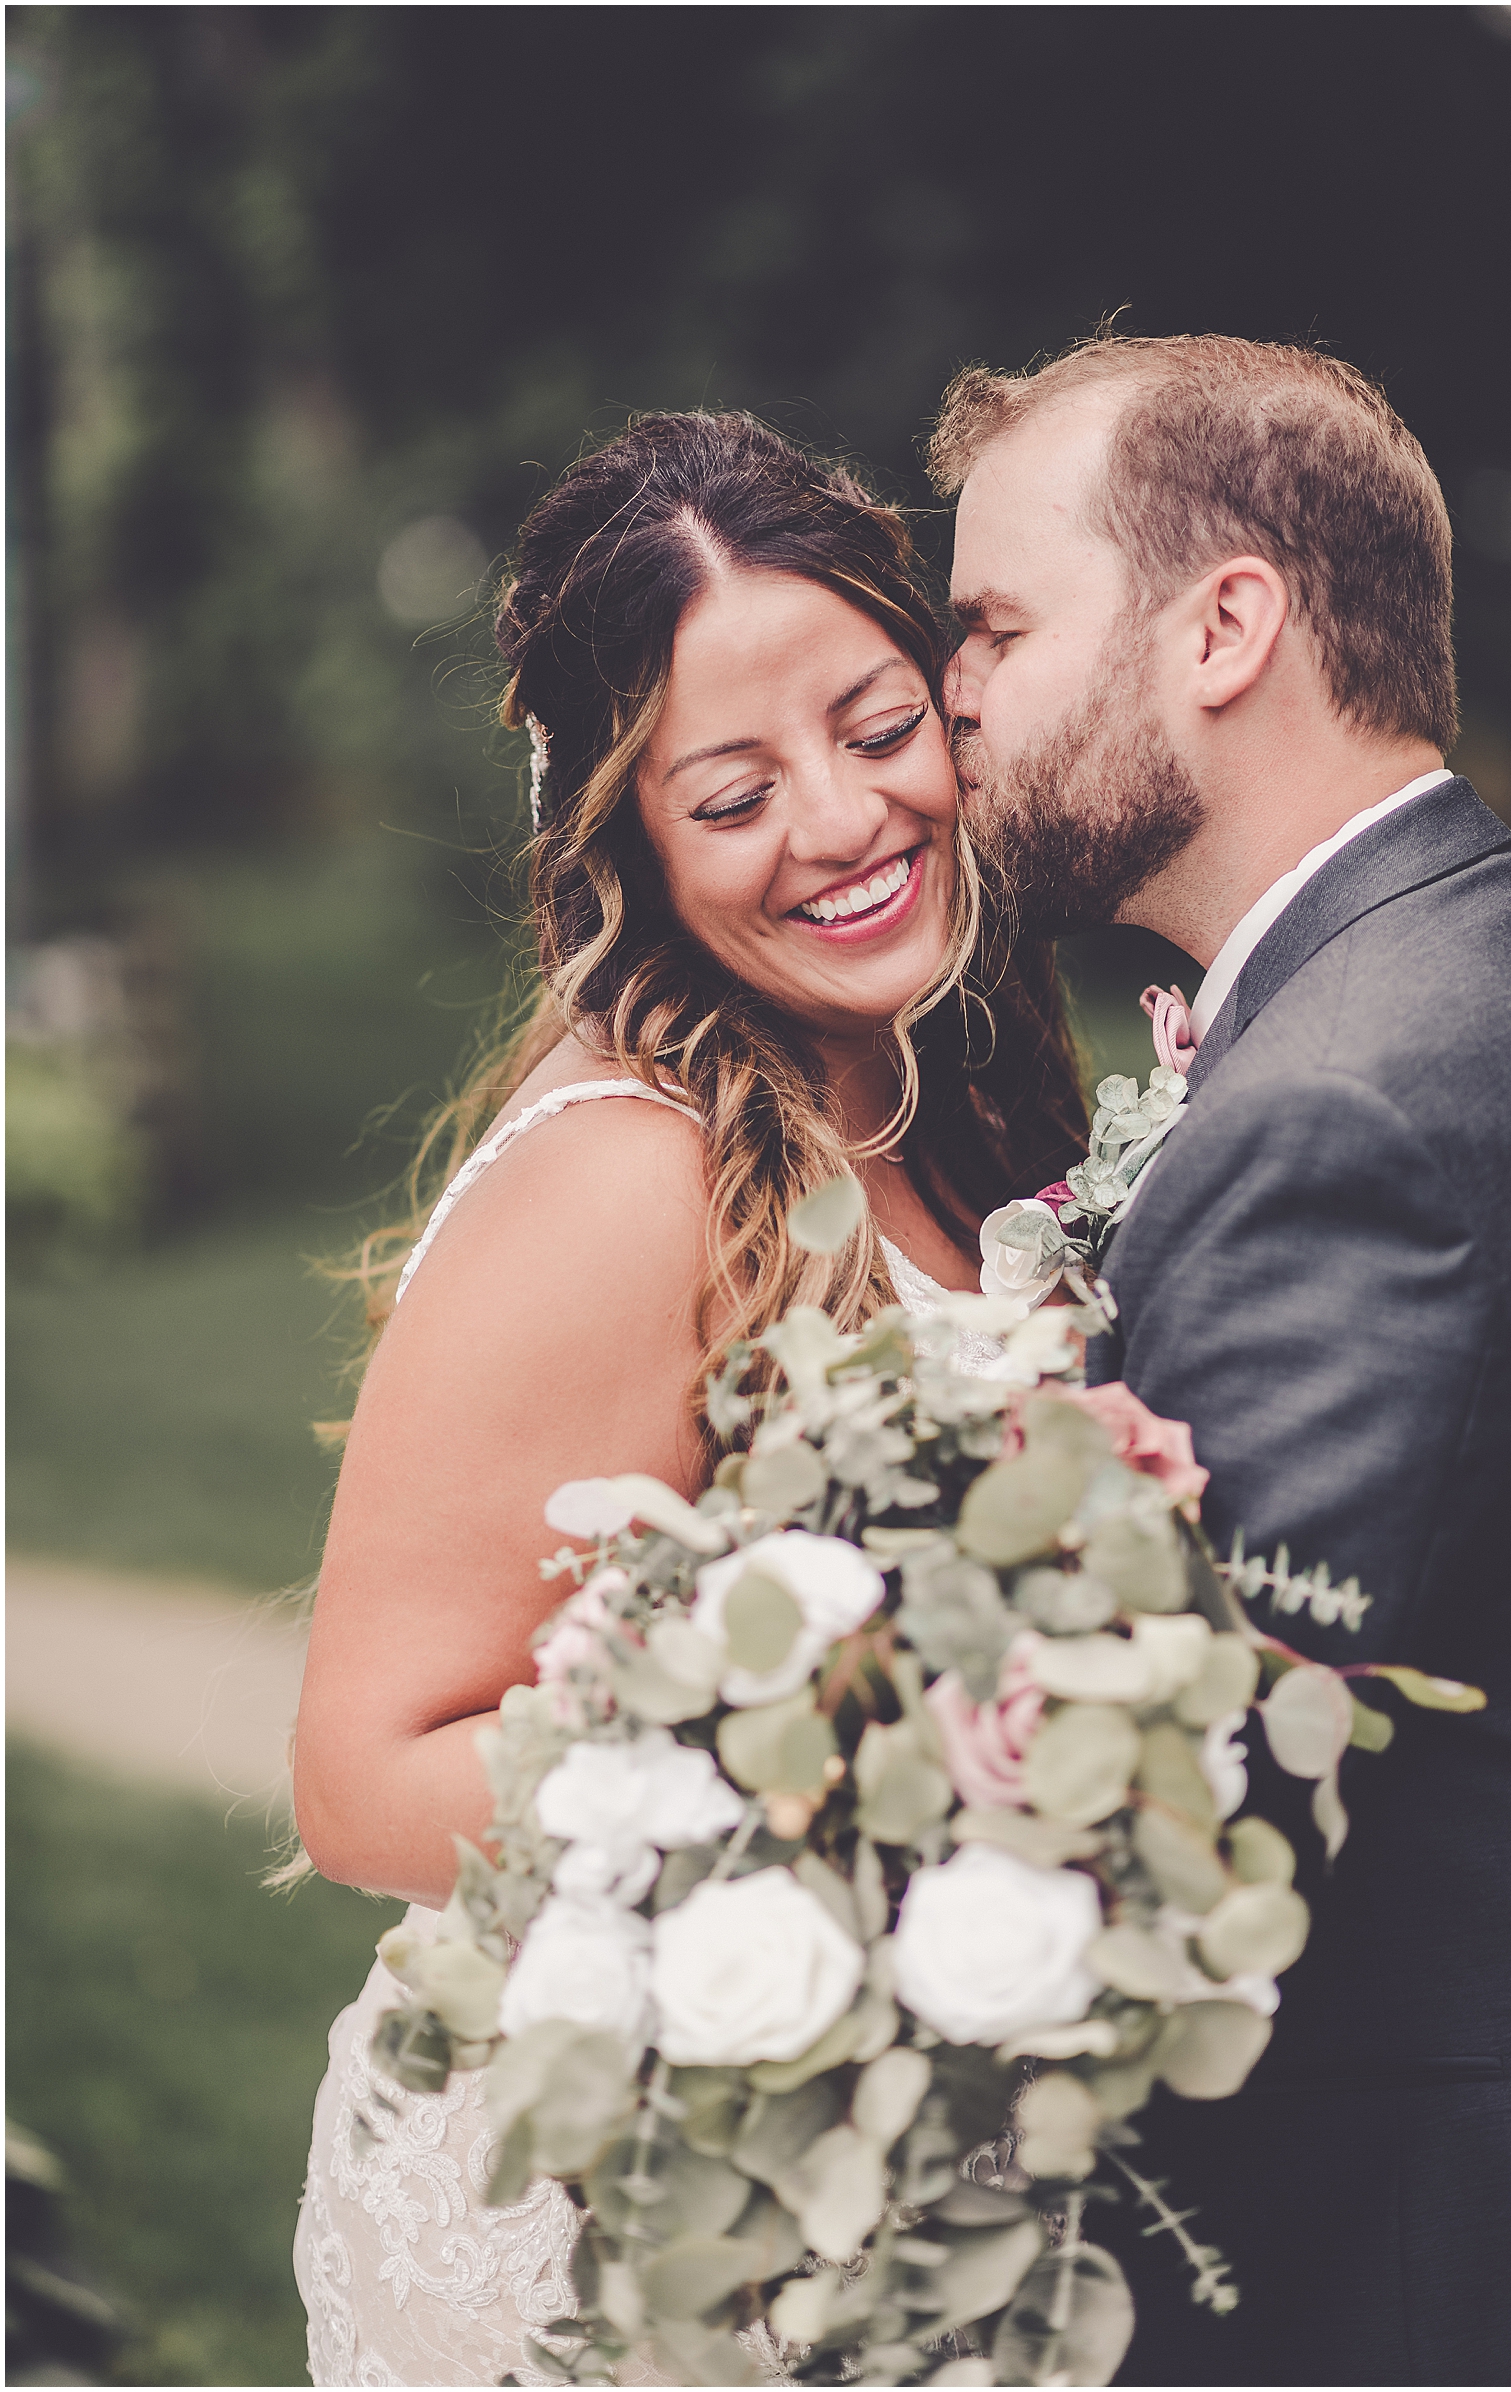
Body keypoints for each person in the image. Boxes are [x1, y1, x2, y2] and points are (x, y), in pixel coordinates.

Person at [289, 410, 1088, 2388]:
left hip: (890, 2179)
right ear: (627, 839)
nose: (836, 820)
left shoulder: (958, 1097)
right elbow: (364, 1771)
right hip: (626, 2233)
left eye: (875, 724)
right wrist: (831, 1728)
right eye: (730, 791)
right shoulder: (629, 1172)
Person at [935, 333, 1511, 2389]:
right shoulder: (1485, 964)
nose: (946, 698)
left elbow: (1174, 1817)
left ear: (1224, 622)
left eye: (992, 626)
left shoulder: (1351, 1107)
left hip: (1390, 2283)